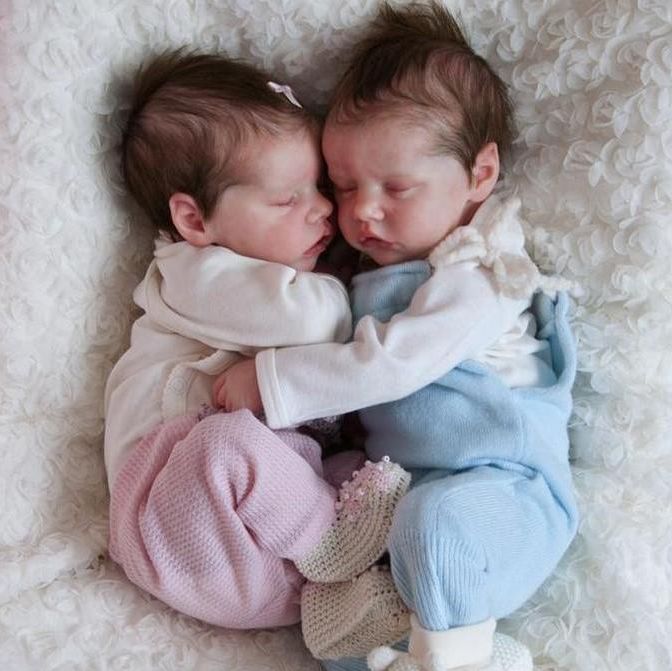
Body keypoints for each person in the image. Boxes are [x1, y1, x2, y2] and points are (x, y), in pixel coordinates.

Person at [214, 3, 579, 670]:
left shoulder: (480, 273)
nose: (361, 211)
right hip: (405, 490)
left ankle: (462, 657)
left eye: (396, 187)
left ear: (480, 174)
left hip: (504, 491)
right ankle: (399, 651)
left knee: (436, 528)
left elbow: (392, 365)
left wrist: (275, 382)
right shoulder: (373, 269)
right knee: (335, 589)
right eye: (344, 185)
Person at [104, 50, 411, 632]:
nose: (322, 208)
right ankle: (333, 546)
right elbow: (316, 322)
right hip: (169, 520)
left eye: (318, 187)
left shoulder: (242, 269)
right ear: (196, 221)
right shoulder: (196, 272)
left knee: (358, 463)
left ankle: (345, 604)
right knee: (225, 446)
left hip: (255, 546)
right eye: (286, 199)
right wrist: (344, 277)